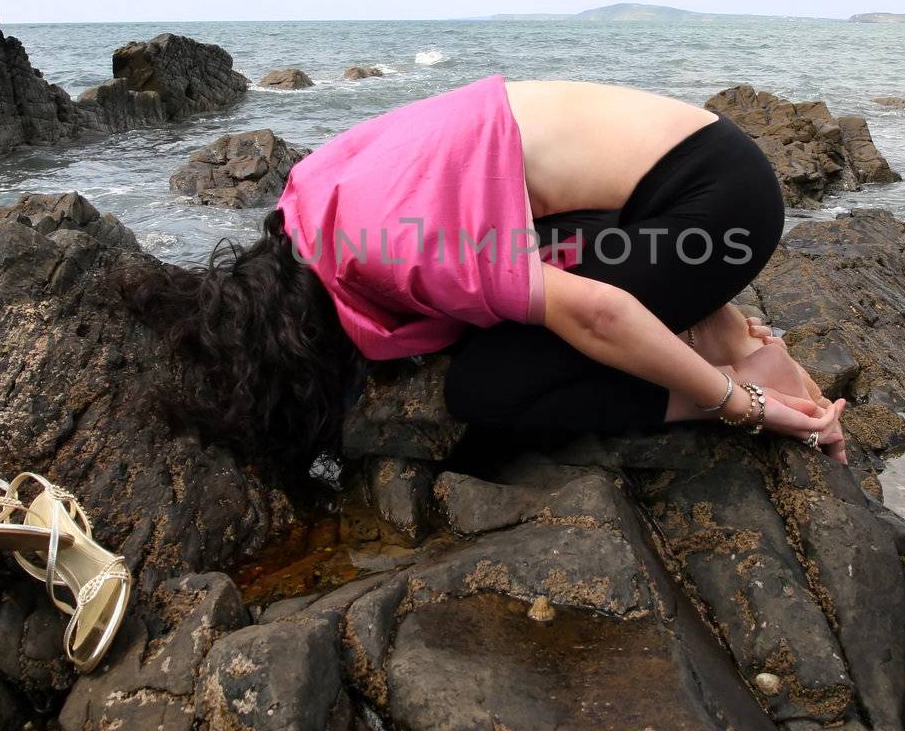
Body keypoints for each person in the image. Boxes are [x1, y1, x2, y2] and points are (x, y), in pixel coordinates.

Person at [128, 75, 846, 473]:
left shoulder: (383, 245)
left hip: (716, 208)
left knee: (485, 387)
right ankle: (712, 325)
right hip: (675, 177)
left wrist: (741, 406)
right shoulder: (313, 194)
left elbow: (597, 315)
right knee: (506, 317)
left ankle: (754, 375)